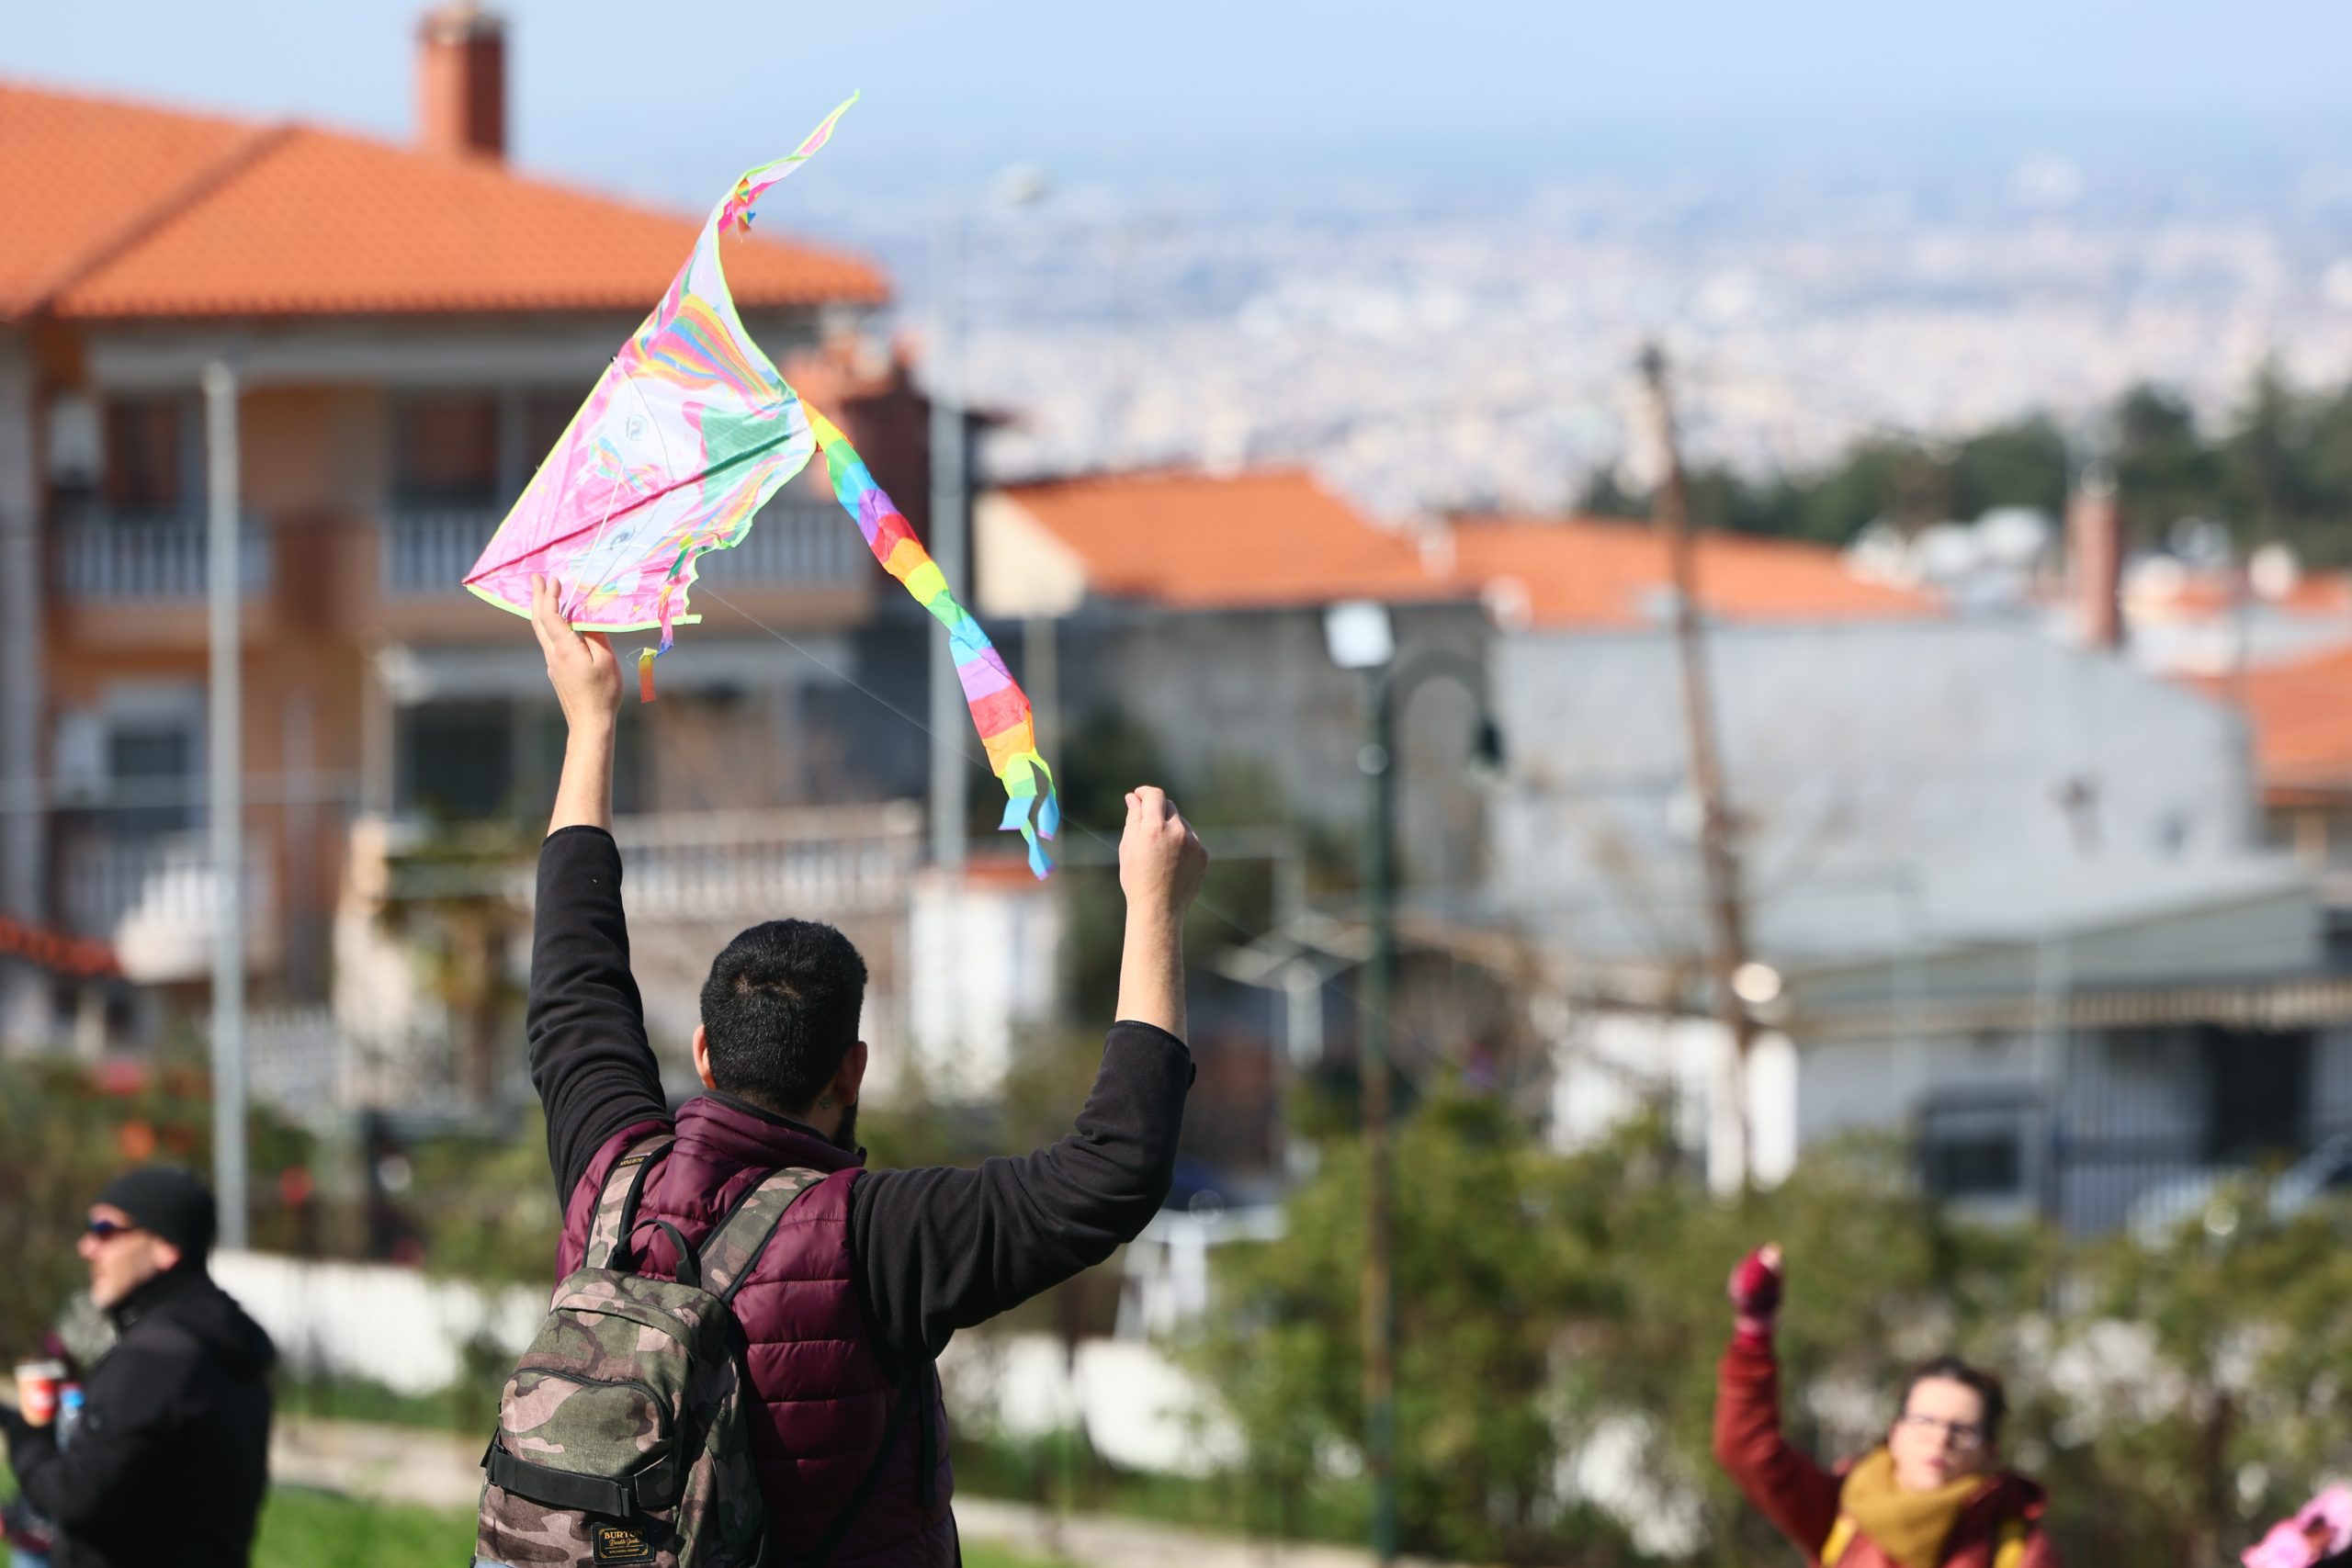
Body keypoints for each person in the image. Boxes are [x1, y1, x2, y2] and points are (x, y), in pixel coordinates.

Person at [522, 573, 1206, 1564]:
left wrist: (590, 725)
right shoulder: (872, 1239)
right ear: (854, 1070)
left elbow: (572, 981)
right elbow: (1109, 1176)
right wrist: (1156, 909)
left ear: (704, 1052)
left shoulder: (610, 1181)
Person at [1714, 1244, 2057, 1567]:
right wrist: (1754, 1329)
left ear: (1990, 1452)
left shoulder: (2016, 1548)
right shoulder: (1844, 1508)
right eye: (1924, 1422)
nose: (1940, 1440)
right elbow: (1747, 1449)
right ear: (1895, 1432)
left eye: (1962, 1430)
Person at [0, 1167, 275, 1568]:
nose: (87, 1247)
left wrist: (30, 1432)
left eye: (106, 1230)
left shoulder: (157, 1358)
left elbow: (74, 1496)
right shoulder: (223, 1345)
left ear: (165, 1247)